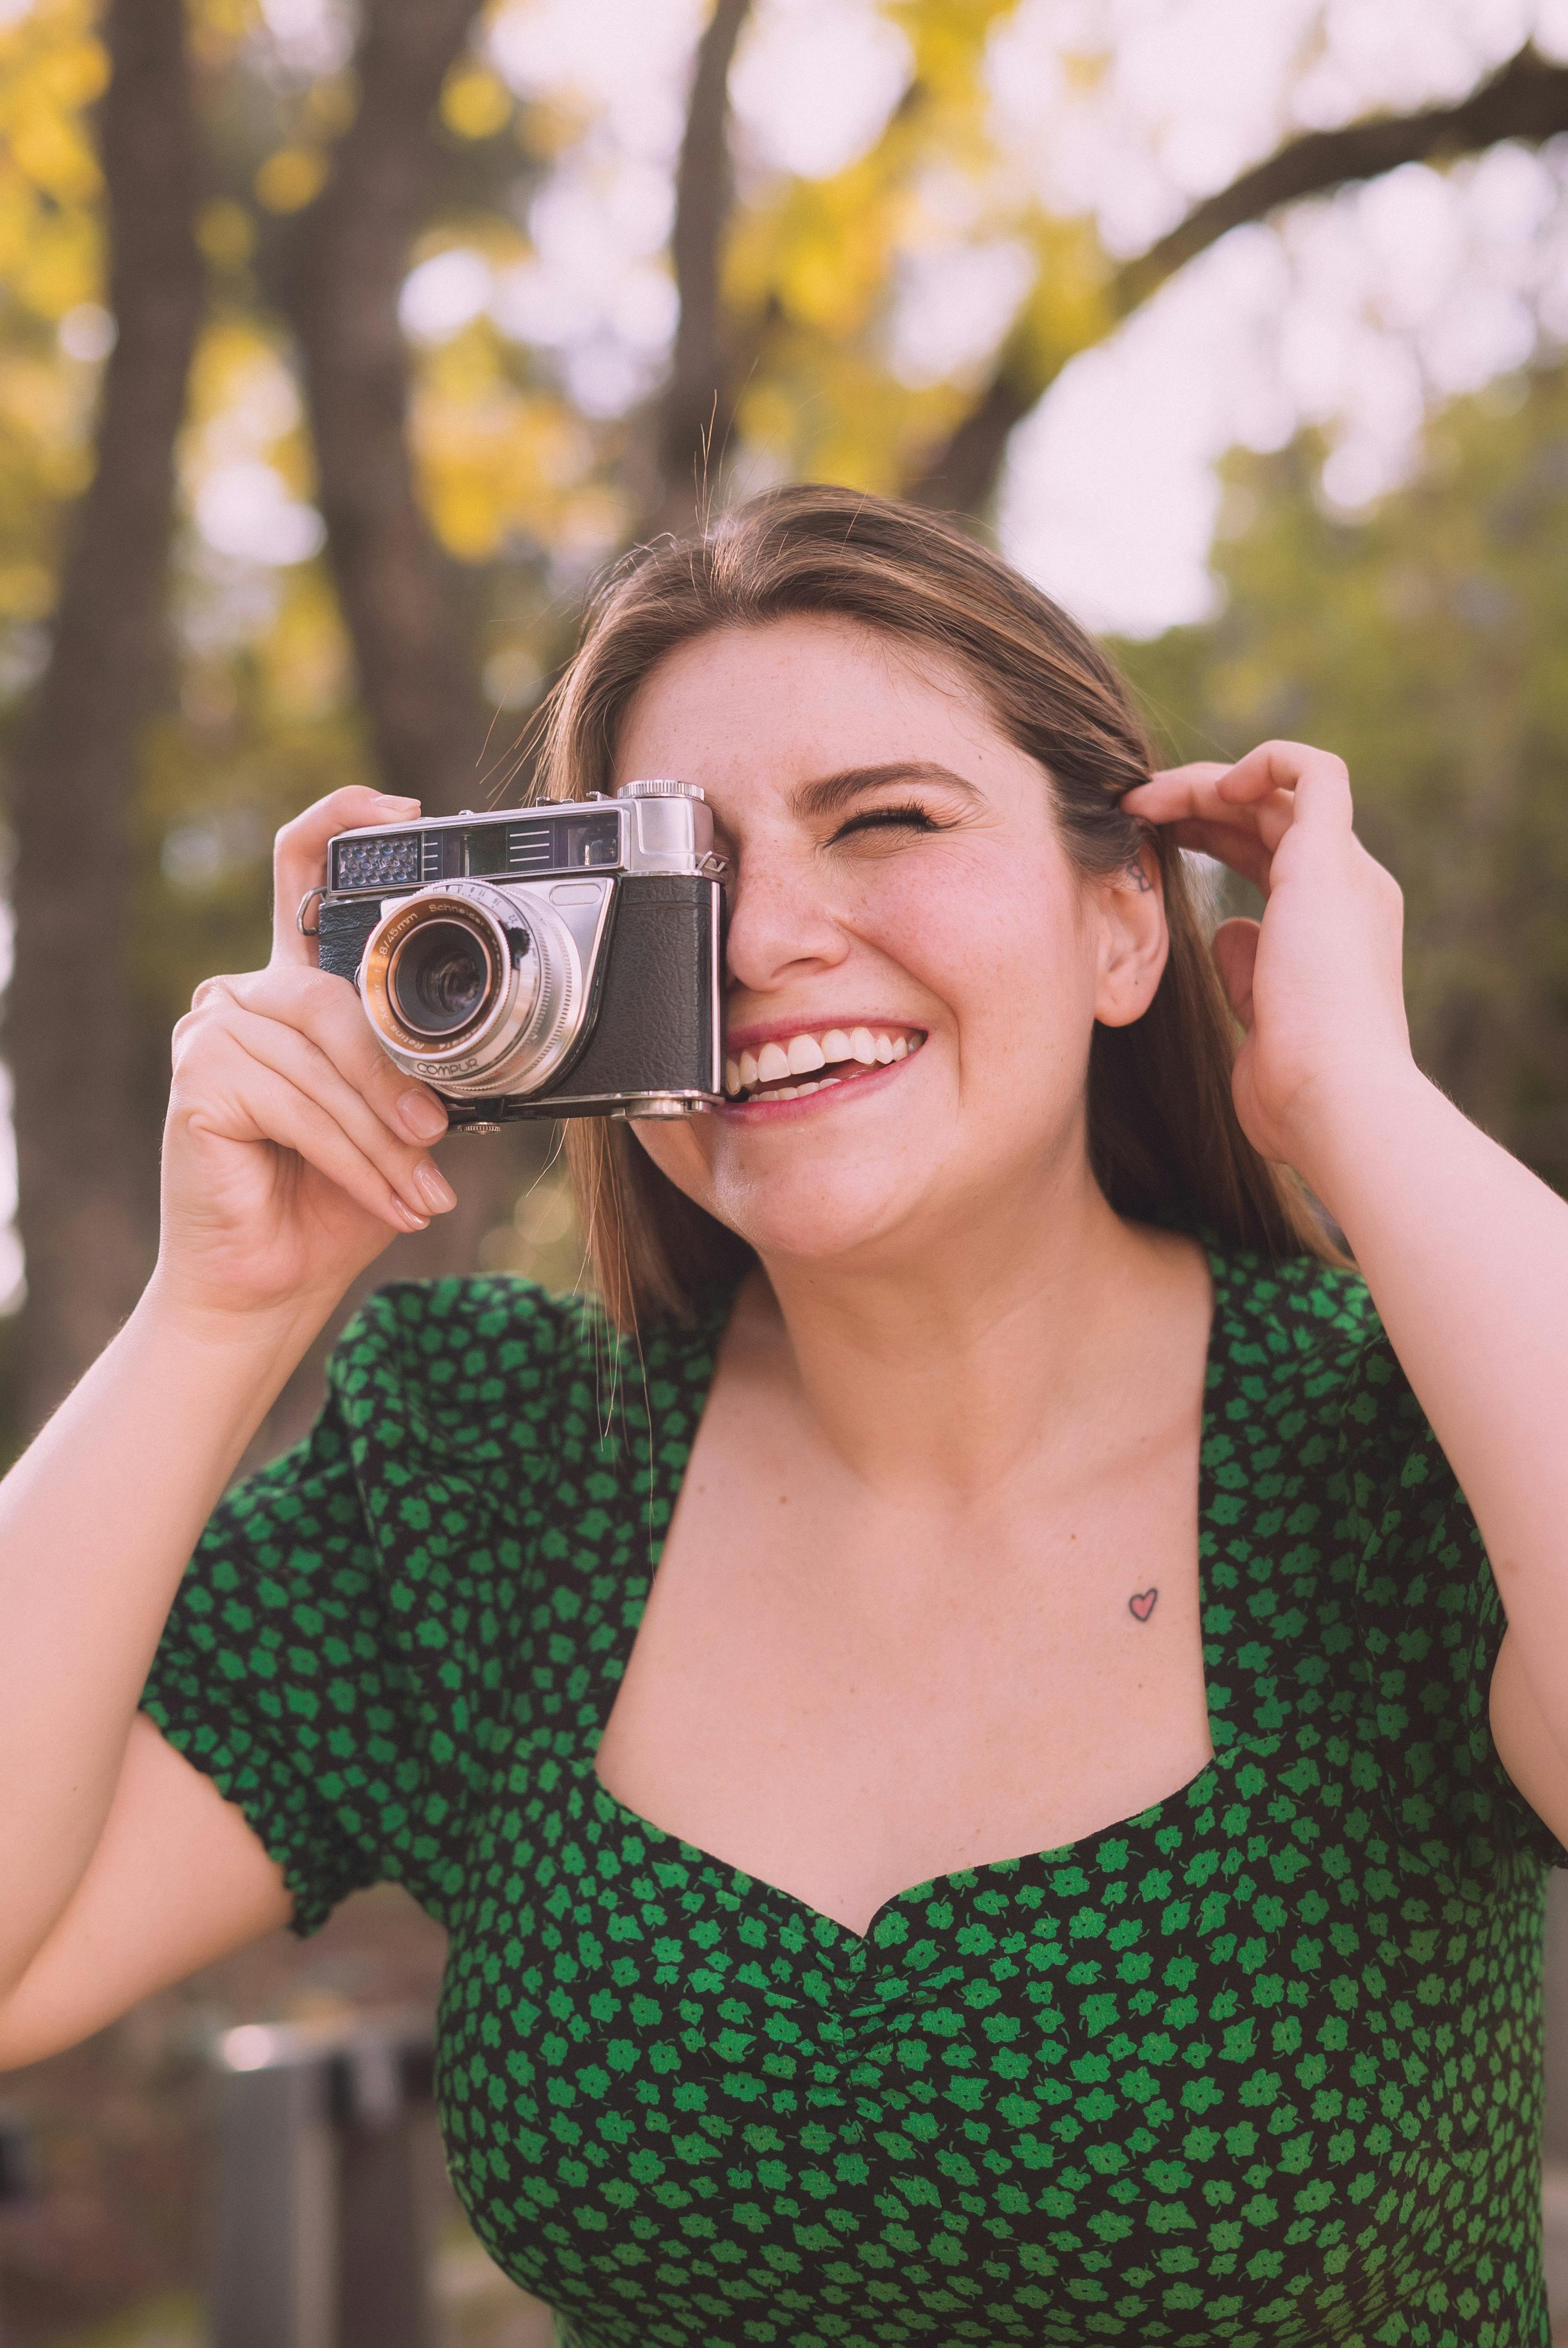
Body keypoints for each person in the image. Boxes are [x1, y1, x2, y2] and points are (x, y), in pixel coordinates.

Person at [2, 485, 1566, 2348]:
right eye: (690, 879)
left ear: (1125, 926)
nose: (765, 946)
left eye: (887, 820)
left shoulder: (1410, 1432)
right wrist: (216, 1316)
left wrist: (1354, 1100)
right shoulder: (495, 1473)